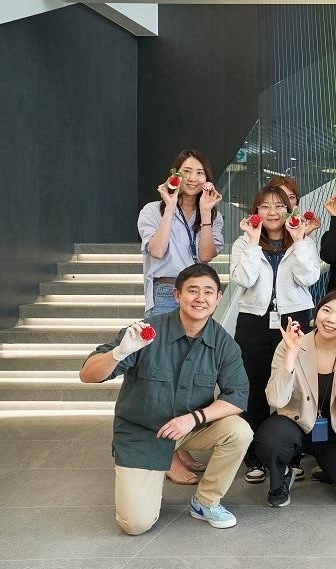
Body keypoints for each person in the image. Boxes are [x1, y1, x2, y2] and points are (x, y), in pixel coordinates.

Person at [79, 264, 251, 534]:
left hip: (189, 429)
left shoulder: (224, 343)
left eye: (208, 292)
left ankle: (205, 502)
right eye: (192, 290)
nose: (200, 298)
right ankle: (151, 470)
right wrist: (118, 353)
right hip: (142, 433)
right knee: (136, 525)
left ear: (218, 298)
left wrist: (193, 418)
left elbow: (237, 397)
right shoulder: (147, 331)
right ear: (177, 295)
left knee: (239, 431)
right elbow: (87, 375)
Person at [137, 149, 224, 484]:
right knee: (163, 374)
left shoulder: (211, 214)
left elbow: (206, 256)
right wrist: (170, 206)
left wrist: (206, 214)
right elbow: (157, 250)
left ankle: (179, 444)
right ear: (175, 173)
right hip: (165, 293)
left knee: (189, 372)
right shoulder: (152, 210)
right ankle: (167, 456)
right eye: (186, 171)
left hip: (197, 296)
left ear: (207, 179)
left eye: (199, 172)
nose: (192, 178)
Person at [230, 186, 321, 484]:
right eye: (265, 206)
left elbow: (308, 277)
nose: (272, 212)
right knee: (254, 386)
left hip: (294, 319)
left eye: (279, 206)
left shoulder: (302, 241)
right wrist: (253, 242)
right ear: (255, 211)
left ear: (289, 209)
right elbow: (244, 279)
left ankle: (290, 455)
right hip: (253, 320)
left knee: (294, 385)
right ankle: (254, 457)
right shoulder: (243, 242)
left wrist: (300, 241)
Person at [254, 291, 336, 508]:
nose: (330, 319)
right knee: (270, 441)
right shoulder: (291, 343)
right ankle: (281, 476)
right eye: (326, 310)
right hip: (294, 424)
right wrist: (291, 354)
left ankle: (327, 466)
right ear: (317, 312)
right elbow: (275, 399)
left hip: (331, 430)